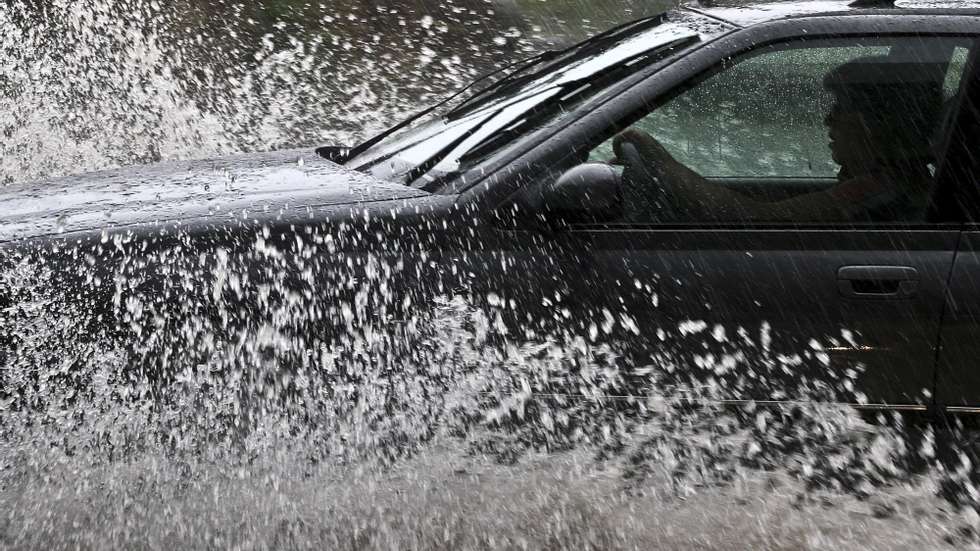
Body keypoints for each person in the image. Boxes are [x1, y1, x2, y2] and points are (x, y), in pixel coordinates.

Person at [611, 55, 944, 223]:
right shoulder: (901, 183)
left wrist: (660, 161)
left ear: (875, 124)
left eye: (840, 108)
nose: (828, 119)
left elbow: (753, 220)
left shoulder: (876, 189)